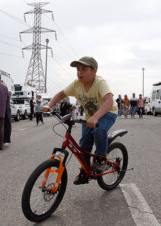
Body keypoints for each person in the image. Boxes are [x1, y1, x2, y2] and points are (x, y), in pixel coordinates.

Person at [41, 56, 118, 185]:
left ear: (94, 71)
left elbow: (109, 101)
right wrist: (49, 105)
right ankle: (85, 171)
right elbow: (61, 94)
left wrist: (95, 117)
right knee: (84, 145)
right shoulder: (76, 85)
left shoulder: (100, 82)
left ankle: (101, 159)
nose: (79, 72)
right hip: (90, 117)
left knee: (99, 130)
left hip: (108, 112)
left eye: (83, 69)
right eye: (78, 69)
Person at [3, 83, 12, 147]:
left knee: (7, 125)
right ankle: (5, 139)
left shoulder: (7, 93)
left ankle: (5, 139)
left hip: (6, 110)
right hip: (5, 109)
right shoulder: (7, 92)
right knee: (6, 125)